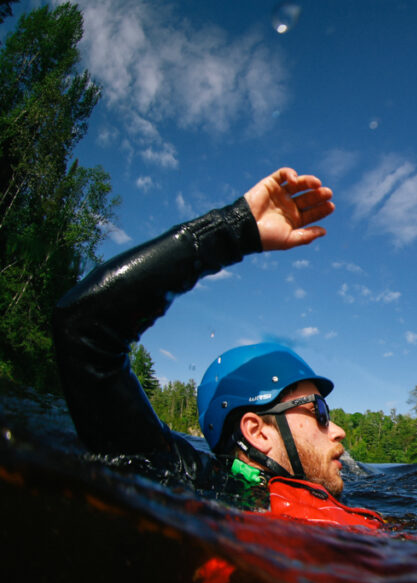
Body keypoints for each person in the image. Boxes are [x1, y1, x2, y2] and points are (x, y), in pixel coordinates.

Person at [53, 167, 382, 529]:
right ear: (257, 431)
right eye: (318, 411)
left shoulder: (329, 499)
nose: (337, 430)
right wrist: (232, 231)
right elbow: (83, 326)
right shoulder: (198, 490)